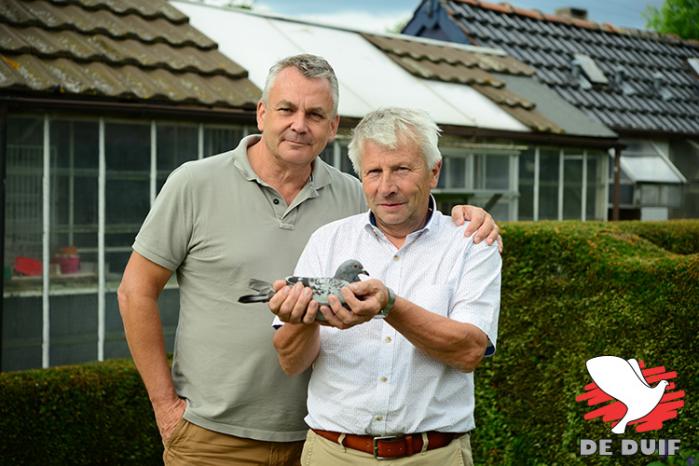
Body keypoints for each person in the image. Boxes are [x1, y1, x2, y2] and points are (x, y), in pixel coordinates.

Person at [118, 55, 499, 466]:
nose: (299, 124)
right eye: (286, 109)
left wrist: (469, 217)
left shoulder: (354, 195)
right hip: (215, 432)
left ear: (333, 126)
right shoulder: (194, 184)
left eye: (315, 114)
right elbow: (134, 291)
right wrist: (165, 408)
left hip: (316, 439)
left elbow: (406, 207)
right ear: (262, 113)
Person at [271, 107, 501, 465]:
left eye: (401, 169)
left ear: (434, 172)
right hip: (335, 454)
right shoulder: (327, 241)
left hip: (433, 456)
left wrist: (389, 306)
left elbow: (469, 351)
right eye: (373, 172)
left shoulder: (469, 243)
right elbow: (291, 362)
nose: (386, 187)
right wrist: (302, 319)